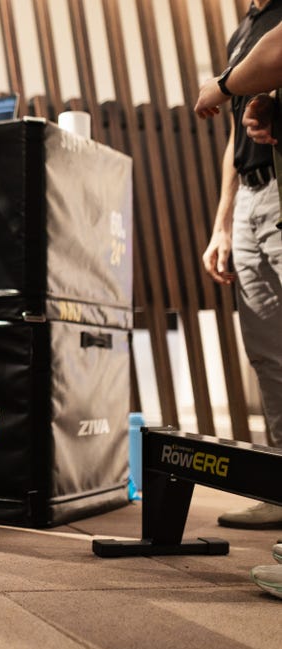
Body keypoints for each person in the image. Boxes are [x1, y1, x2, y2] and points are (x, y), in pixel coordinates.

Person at [190, 0, 282, 532]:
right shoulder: (244, 29)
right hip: (249, 197)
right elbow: (234, 139)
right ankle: (279, 486)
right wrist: (222, 222)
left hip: (280, 182)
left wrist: (224, 84)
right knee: (268, 351)